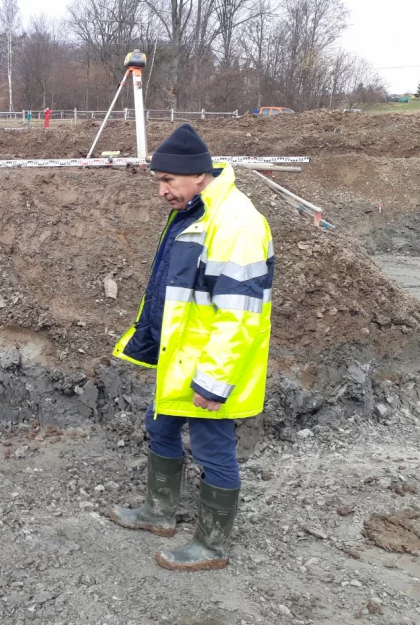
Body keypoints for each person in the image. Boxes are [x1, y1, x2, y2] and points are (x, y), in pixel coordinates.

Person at [107, 123, 273, 572]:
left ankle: (211, 546)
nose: (161, 190)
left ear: (199, 175)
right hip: (180, 357)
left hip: (209, 365)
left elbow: (240, 315)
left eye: (168, 180)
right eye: (158, 180)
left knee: (212, 448)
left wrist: (214, 381)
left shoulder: (236, 224)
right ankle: (159, 513)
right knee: (159, 426)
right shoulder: (195, 211)